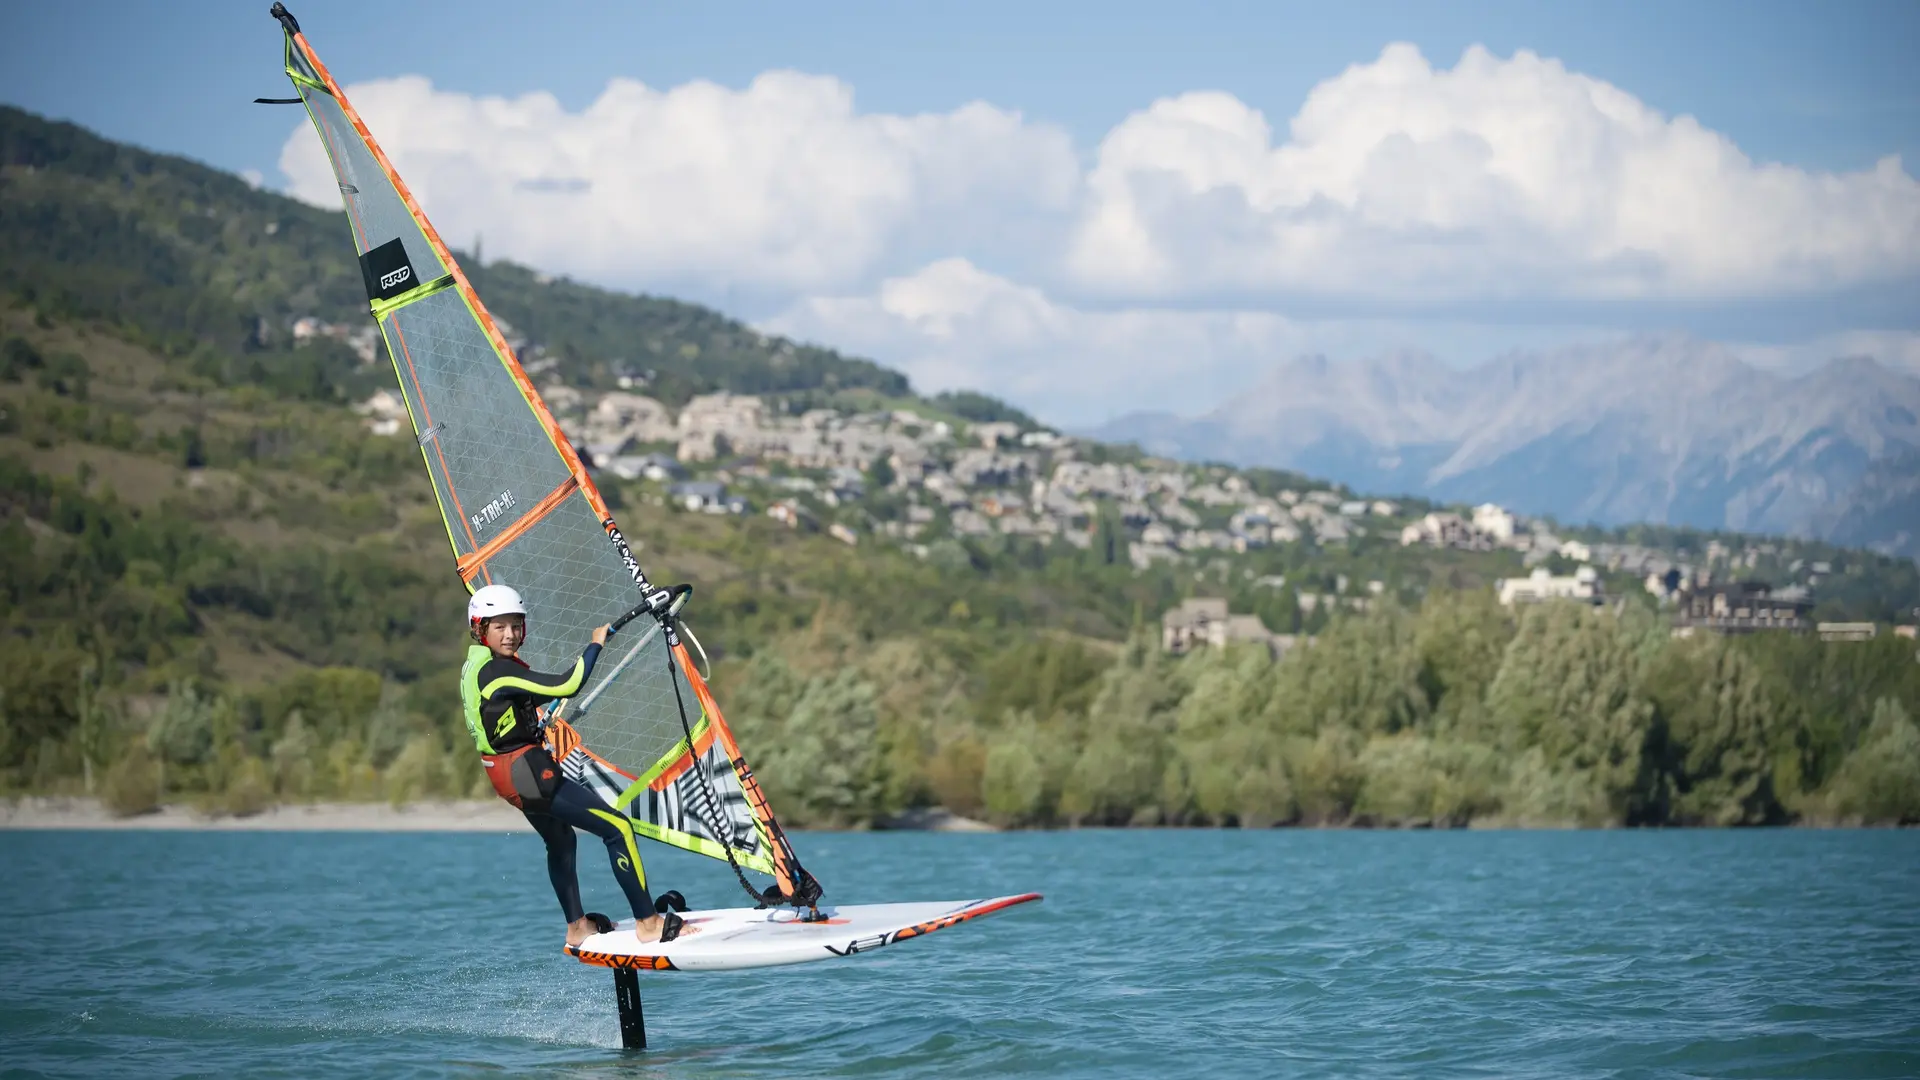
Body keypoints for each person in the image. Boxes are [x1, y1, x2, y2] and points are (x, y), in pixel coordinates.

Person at [461, 583, 683, 947]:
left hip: (506, 777)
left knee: (561, 840)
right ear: (480, 629)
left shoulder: (477, 668)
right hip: (529, 775)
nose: (511, 634)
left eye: (516, 625)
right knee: (617, 829)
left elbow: (503, 710)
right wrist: (596, 643)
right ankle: (649, 923)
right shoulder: (498, 671)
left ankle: (577, 926)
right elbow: (570, 683)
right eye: (499, 626)